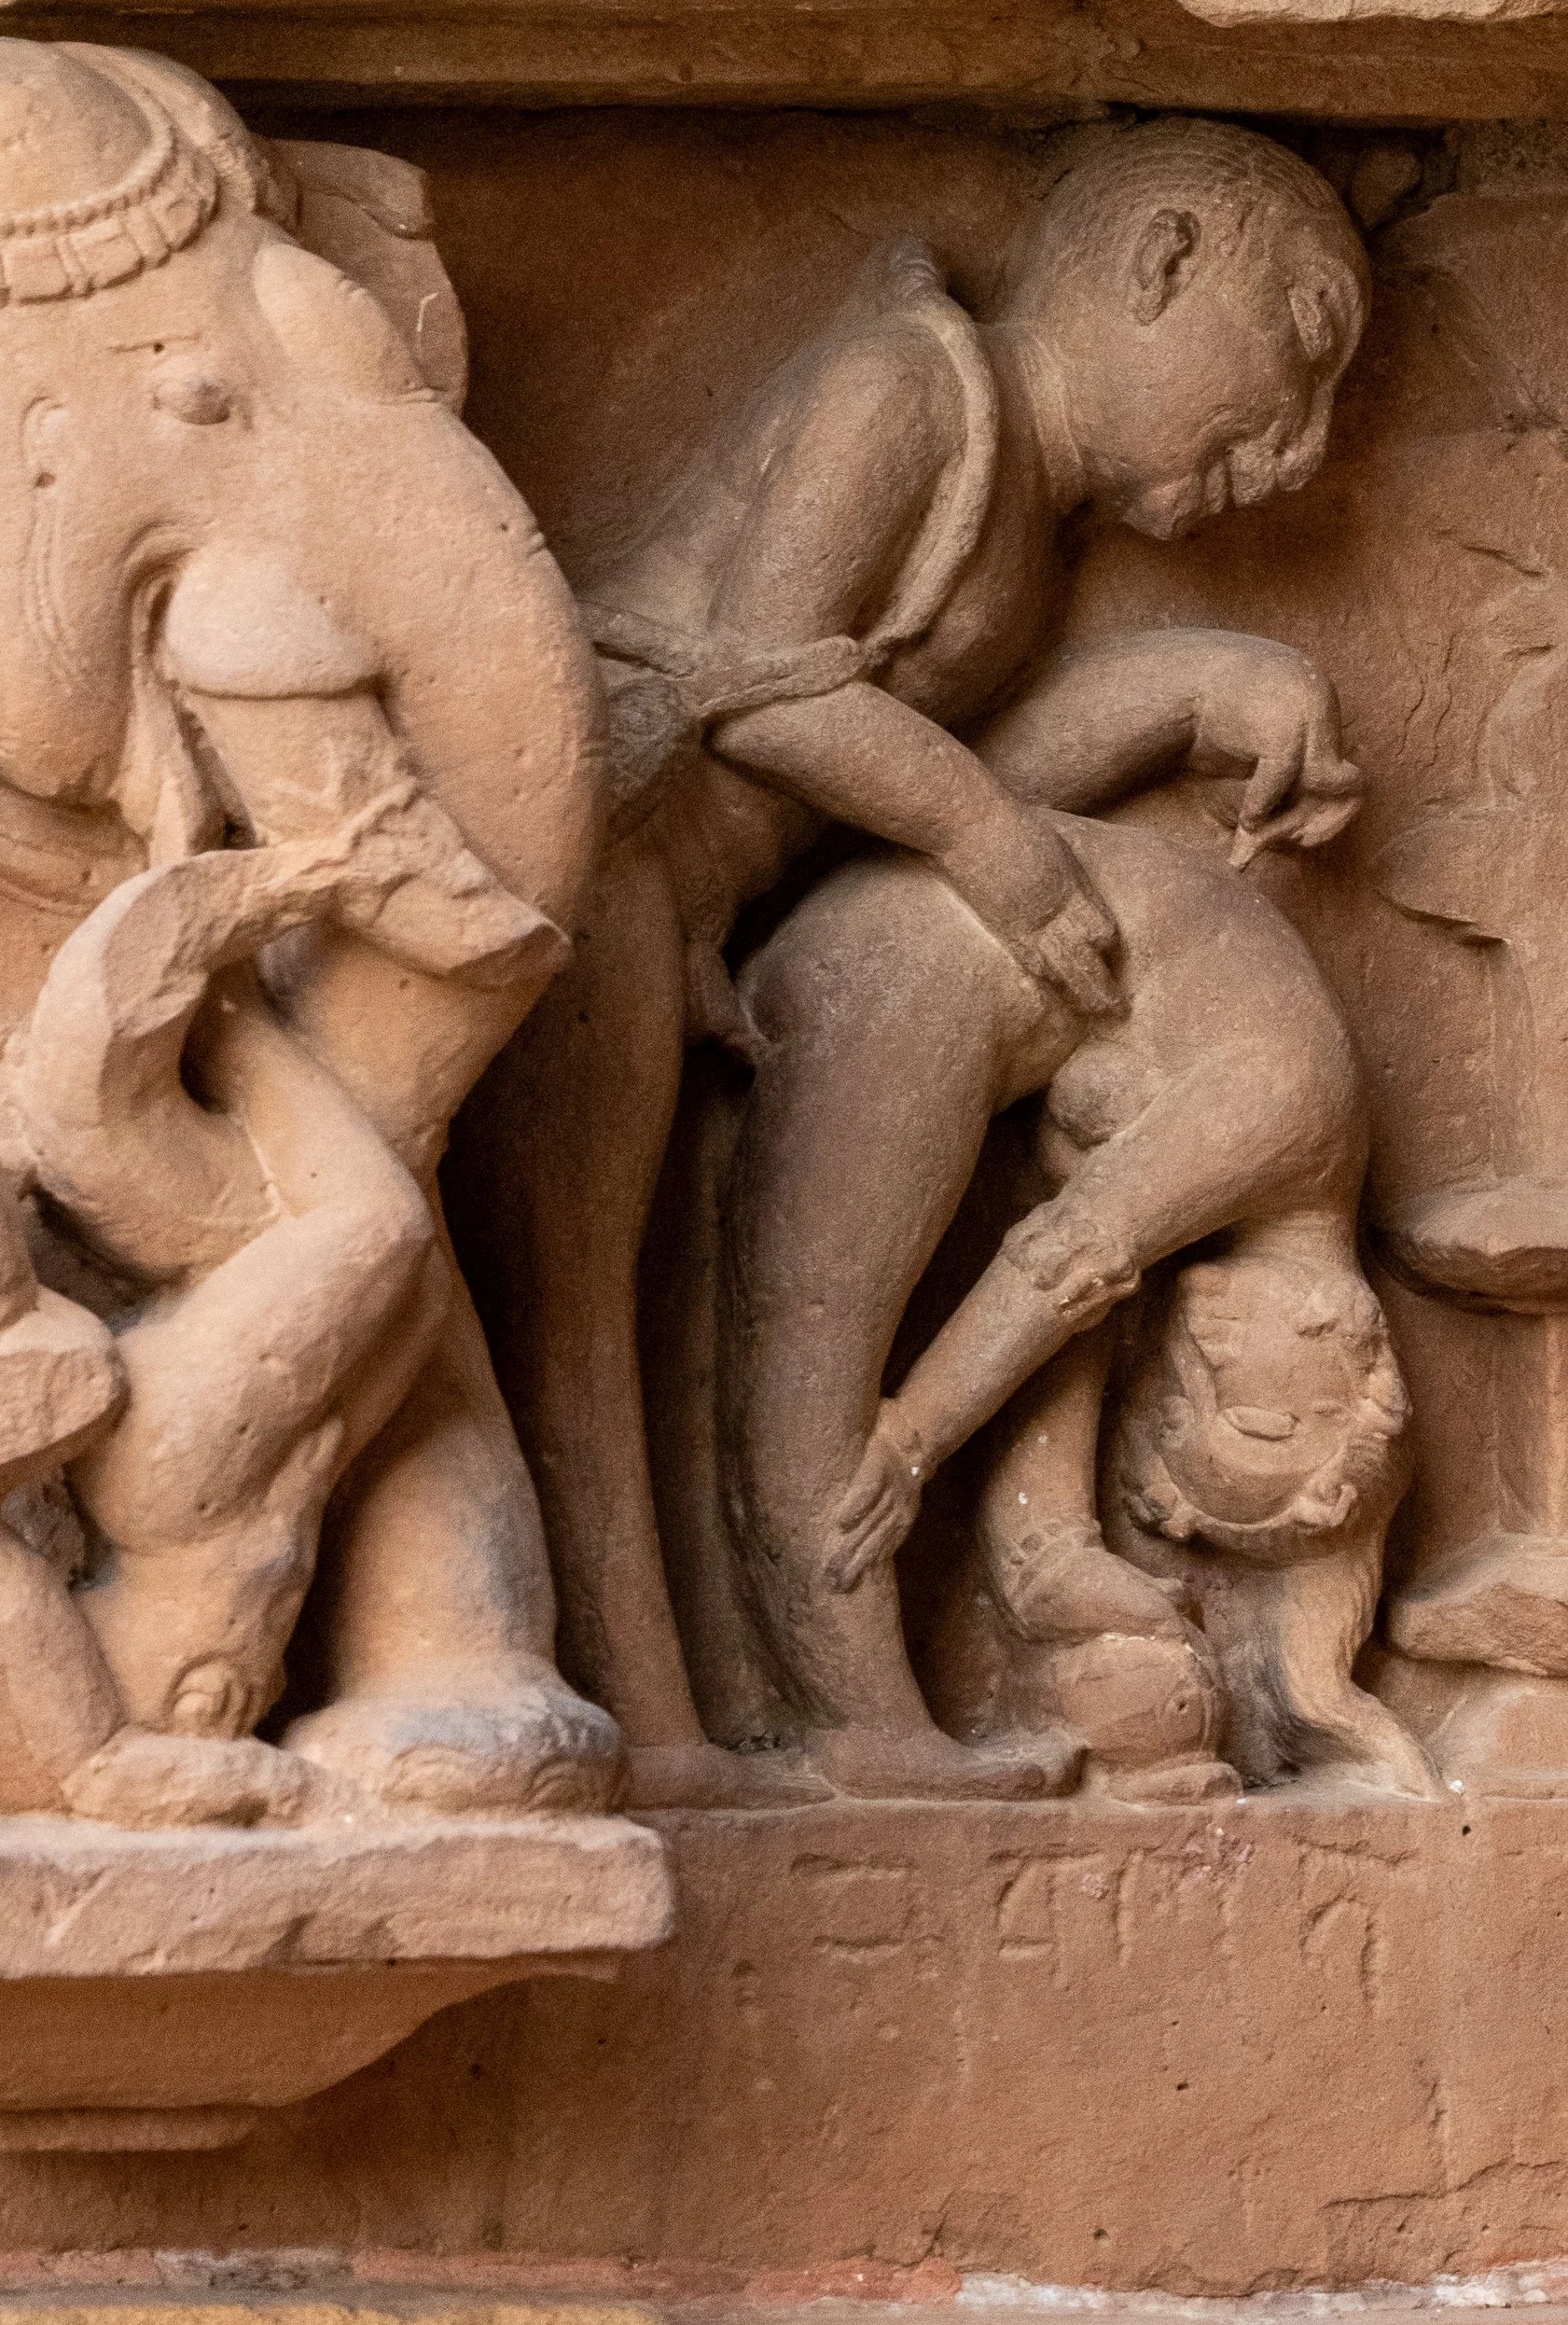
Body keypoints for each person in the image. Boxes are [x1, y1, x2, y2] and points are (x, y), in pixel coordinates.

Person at [465, 117, 1372, 1799]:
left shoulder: (1025, 517)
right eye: (1298, 352)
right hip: (600, 851)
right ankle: (695, 1733)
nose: (1299, 451)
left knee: (643, 1326)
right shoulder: (908, 387)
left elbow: (952, 776)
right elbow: (758, 684)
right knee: (577, 1331)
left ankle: (707, 1728)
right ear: (1162, 262)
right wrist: (986, 839)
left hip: (701, 907)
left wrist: (1208, 686)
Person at [728, 803, 1425, 1794]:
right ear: (1353, 1367)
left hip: (925, 973)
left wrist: (1053, 1551)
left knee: (815, 1396)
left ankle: (864, 1729)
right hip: (918, 949)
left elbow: (1071, 1320)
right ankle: (866, 1732)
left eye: (1172, 1417)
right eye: (1257, 1421)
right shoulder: (1292, 1106)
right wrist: (916, 1436)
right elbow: (1063, 1265)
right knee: (818, 1400)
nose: (1200, 1367)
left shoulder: (1213, 1236)